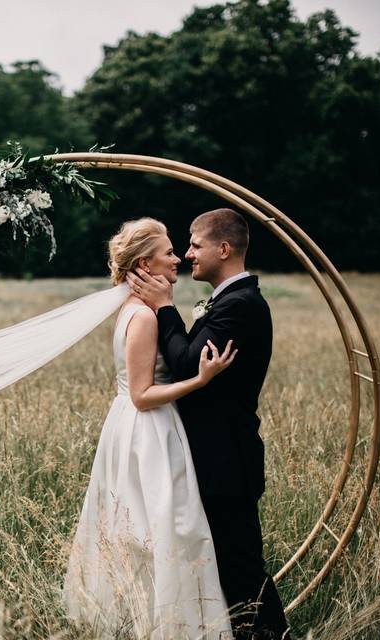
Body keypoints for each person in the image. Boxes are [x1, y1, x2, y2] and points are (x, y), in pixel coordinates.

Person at [63, 217, 237, 639]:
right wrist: (200, 380)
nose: (177, 258)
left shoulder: (136, 310)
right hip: (148, 431)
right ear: (145, 264)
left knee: (148, 529)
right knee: (161, 528)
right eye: (168, 253)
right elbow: (142, 394)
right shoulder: (142, 317)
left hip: (139, 426)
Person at [126, 208, 291, 640]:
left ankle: (271, 635)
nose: (187, 253)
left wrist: (164, 307)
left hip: (226, 459)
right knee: (226, 564)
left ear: (223, 248)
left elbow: (184, 365)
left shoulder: (240, 306)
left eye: (195, 244)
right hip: (214, 455)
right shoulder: (227, 302)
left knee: (241, 567)